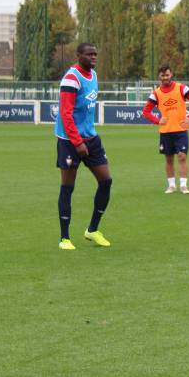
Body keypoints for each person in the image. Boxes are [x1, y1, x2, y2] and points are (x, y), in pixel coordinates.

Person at [55, 43, 112, 250]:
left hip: (91, 138)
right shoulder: (71, 78)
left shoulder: (93, 75)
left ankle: (93, 230)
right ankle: (64, 238)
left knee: (106, 181)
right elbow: (66, 113)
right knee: (68, 187)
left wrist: (85, 138)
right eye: (89, 54)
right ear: (79, 55)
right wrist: (77, 142)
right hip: (70, 141)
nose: (93, 57)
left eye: (96, 54)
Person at [142, 64, 189, 193]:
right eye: (162, 75)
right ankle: (171, 185)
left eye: (167, 75)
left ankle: (183, 185)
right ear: (159, 76)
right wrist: (158, 120)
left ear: (171, 75)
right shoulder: (156, 94)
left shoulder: (181, 88)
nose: (165, 77)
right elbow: (146, 111)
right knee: (169, 159)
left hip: (180, 130)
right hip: (165, 132)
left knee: (182, 157)